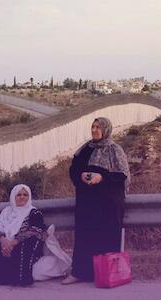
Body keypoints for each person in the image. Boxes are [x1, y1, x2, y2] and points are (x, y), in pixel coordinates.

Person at [62, 117, 130, 284]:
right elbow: (74, 170)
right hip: (87, 202)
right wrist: (81, 175)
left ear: (106, 129)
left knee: (106, 238)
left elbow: (122, 175)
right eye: (93, 127)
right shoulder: (84, 149)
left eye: (98, 127)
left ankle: (105, 273)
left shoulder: (114, 150)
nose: (94, 130)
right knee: (84, 237)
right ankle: (79, 273)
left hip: (107, 204)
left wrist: (102, 177)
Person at [0, 184, 46, 286]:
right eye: (19, 195)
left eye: (25, 195)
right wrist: (2, 240)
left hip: (21, 245)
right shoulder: (7, 211)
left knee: (30, 240)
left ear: (29, 197)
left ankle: (22, 279)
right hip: (4, 245)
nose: (22, 197)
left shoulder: (34, 213)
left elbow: (35, 231)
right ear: (13, 196)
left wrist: (13, 242)